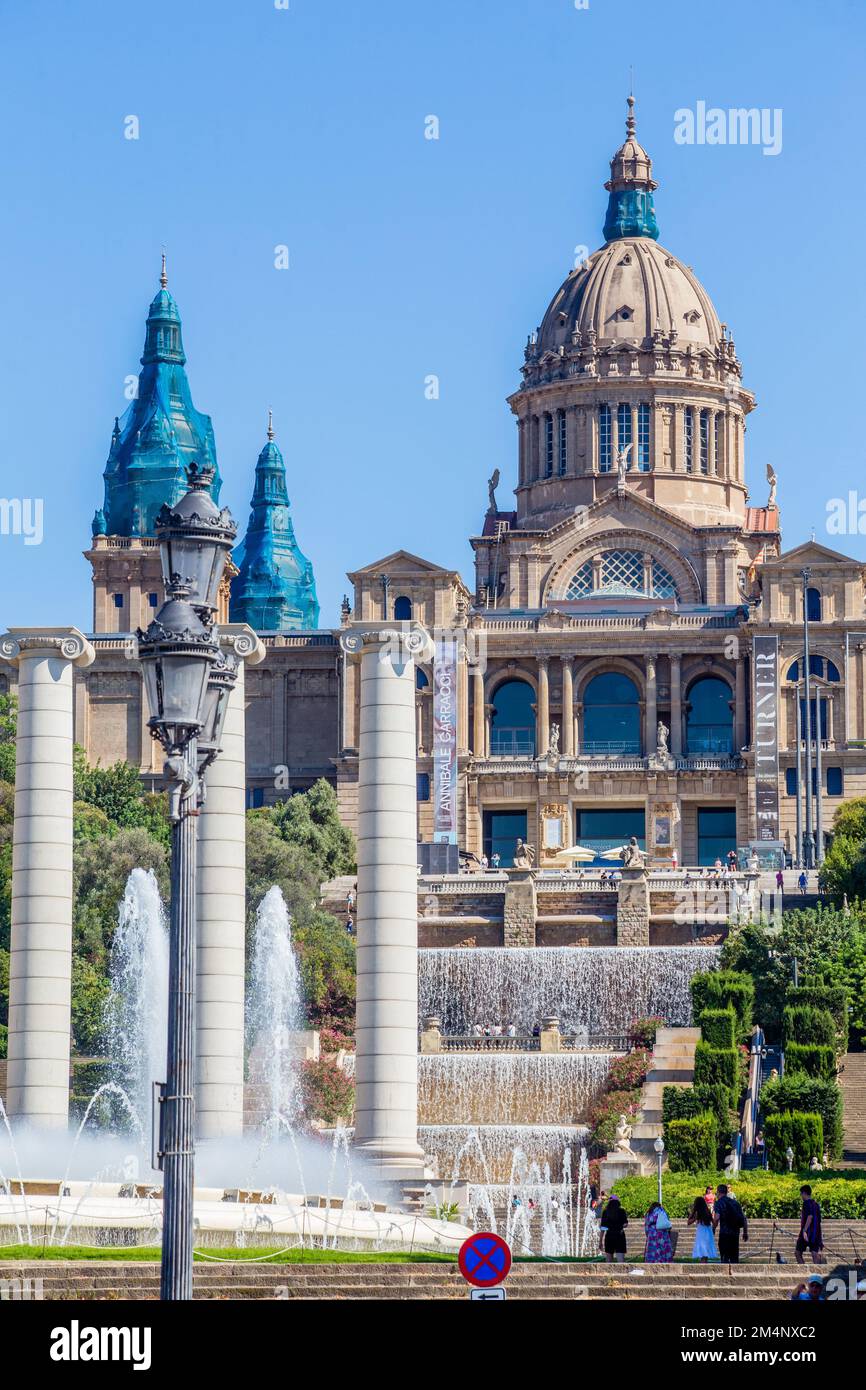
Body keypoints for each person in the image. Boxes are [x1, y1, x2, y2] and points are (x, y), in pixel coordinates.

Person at [713, 1183, 748, 1263]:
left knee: (724, 1257)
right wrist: (745, 1232)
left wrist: (713, 1228)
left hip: (724, 1234)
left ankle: (725, 1273)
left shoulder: (719, 1203)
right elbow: (744, 1218)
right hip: (735, 1234)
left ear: (718, 1192)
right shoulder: (735, 1203)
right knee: (734, 1258)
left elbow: (716, 1218)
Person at [797, 1185, 824, 1264]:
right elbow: (819, 1221)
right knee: (814, 1254)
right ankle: (817, 1273)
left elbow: (810, 1216)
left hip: (807, 1232)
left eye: (801, 1194)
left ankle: (804, 1271)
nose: (801, 1196)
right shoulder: (816, 1204)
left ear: (804, 1193)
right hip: (816, 1233)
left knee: (798, 1253)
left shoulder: (806, 1203)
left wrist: (804, 1230)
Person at [688, 1196, 718, 1262]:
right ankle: (704, 1263)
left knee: (702, 1247)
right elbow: (714, 1222)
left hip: (701, 1230)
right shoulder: (707, 1211)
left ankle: (703, 1263)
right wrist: (713, 1228)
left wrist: (695, 1218)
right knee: (706, 1247)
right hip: (708, 1230)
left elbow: (688, 1222)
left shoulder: (696, 1212)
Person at [600, 1193, 628, 1263]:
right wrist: (621, 1226)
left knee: (609, 1259)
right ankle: (621, 1272)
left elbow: (603, 1228)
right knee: (620, 1259)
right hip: (620, 1235)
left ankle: (608, 1273)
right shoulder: (622, 1211)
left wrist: (600, 1241)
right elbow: (625, 1224)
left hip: (609, 1236)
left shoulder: (606, 1212)